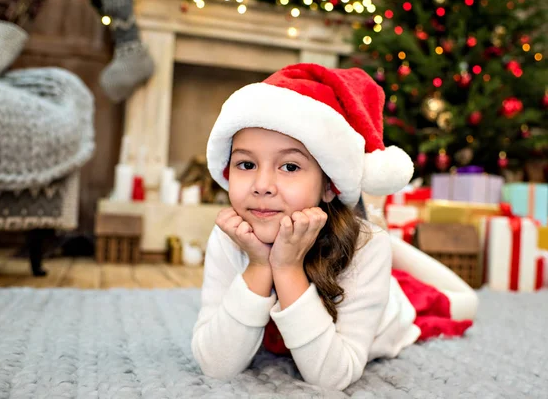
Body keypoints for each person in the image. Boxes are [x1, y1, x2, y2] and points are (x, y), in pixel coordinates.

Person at [191, 63, 478, 390]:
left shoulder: (365, 249)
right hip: (360, 270)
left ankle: (389, 240)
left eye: (289, 166)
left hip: (391, 302)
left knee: (465, 302)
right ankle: (382, 231)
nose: (262, 185)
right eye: (246, 164)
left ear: (330, 186)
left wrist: (286, 267)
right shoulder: (231, 236)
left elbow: (333, 376)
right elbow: (215, 365)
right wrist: (259, 264)